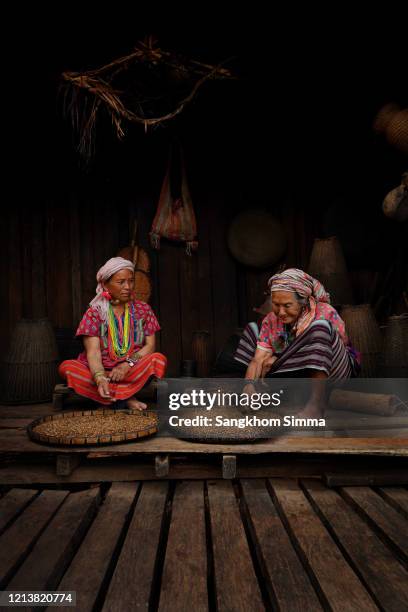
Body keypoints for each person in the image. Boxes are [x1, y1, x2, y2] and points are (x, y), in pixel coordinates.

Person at [243, 268, 360, 417]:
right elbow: (258, 359)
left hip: (334, 372)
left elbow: (335, 349)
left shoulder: (325, 312)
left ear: (303, 302)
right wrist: (248, 385)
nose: (281, 312)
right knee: (265, 363)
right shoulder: (271, 321)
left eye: (287, 305)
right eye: (276, 304)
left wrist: (278, 356)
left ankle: (316, 405)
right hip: (300, 377)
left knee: (320, 327)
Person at [59, 257, 167, 410]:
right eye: (121, 282)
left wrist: (127, 364)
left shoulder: (143, 310)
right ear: (105, 285)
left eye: (131, 281)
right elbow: (94, 353)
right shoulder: (95, 313)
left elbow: (150, 346)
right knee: (67, 368)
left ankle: (108, 399)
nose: (128, 287)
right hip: (97, 371)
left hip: (130, 370)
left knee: (158, 360)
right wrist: (100, 377)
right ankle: (126, 398)